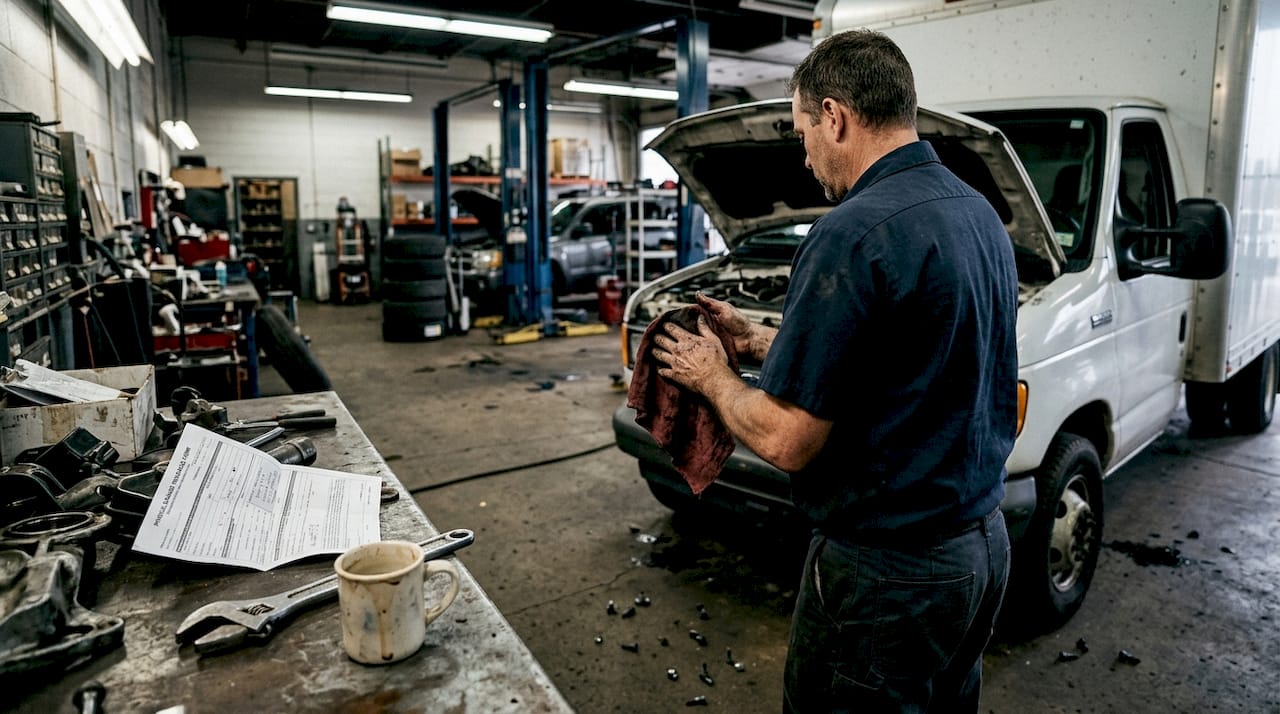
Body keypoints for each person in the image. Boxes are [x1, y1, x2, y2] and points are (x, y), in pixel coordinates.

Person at [648, 29, 1017, 712]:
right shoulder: (980, 216)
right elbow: (906, 348)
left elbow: (789, 439)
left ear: (835, 116)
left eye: (802, 131)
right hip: (981, 554)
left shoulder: (850, 232)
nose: (806, 152)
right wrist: (760, 339)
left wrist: (711, 375)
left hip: (888, 576)